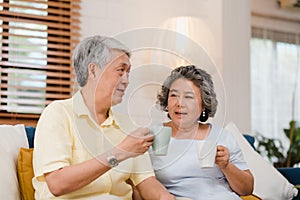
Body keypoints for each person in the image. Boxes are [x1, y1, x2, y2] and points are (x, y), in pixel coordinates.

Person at [32, 35, 175, 200]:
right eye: (120, 70)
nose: (126, 80)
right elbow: (57, 183)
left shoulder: (126, 124)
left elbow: (146, 181)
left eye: (128, 72)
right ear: (93, 71)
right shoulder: (58, 114)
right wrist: (120, 152)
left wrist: (165, 197)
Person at [149, 65, 254, 200]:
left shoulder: (222, 136)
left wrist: (226, 166)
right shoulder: (156, 135)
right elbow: (138, 182)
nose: (180, 103)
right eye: (174, 95)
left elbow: (247, 189)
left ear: (204, 104)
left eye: (189, 97)